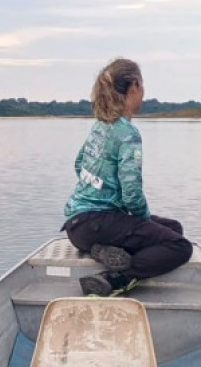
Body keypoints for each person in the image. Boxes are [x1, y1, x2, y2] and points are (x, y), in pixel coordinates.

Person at [62, 58, 193, 296]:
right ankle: (115, 279)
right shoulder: (127, 133)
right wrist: (144, 221)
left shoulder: (101, 125)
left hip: (77, 229)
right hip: (98, 223)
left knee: (174, 227)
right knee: (178, 245)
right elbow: (132, 195)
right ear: (133, 86)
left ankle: (101, 250)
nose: (143, 92)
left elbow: (79, 164)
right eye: (142, 86)